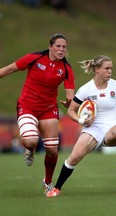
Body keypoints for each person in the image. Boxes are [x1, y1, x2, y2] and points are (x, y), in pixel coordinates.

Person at [46, 55, 116, 198]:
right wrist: (81, 120)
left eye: (111, 68)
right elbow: (71, 110)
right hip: (92, 129)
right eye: (106, 68)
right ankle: (56, 188)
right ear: (97, 70)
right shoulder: (86, 89)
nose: (110, 71)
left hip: (110, 129)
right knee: (74, 157)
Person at [0, 33, 75, 194]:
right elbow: (11, 68)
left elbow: (70, 93)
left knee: (53, 150)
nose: (61, 49)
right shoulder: (34, 58)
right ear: (50, 47)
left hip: (48, 109)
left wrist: (70, 102)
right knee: (31, 142)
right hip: (27, 106)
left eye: (64, 47)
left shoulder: (66, 69)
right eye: (58, 46)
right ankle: (30, 150)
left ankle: (47, 181)